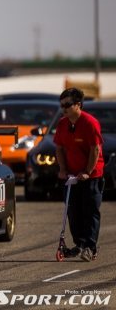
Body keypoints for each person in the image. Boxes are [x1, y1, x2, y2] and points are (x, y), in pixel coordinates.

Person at [54, 87, 104, 262]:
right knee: (73, 211)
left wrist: (87, 172)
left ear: (78, 105)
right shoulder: (62, 124)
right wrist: (62, 170)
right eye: (62, 105)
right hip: (71, 177)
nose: (64, 108)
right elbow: (59, 148)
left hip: (92, 175)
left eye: (67, 105)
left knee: (90, 211)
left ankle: (91, 247)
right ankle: (80, 244)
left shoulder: (90, 123)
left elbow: (95, 149)